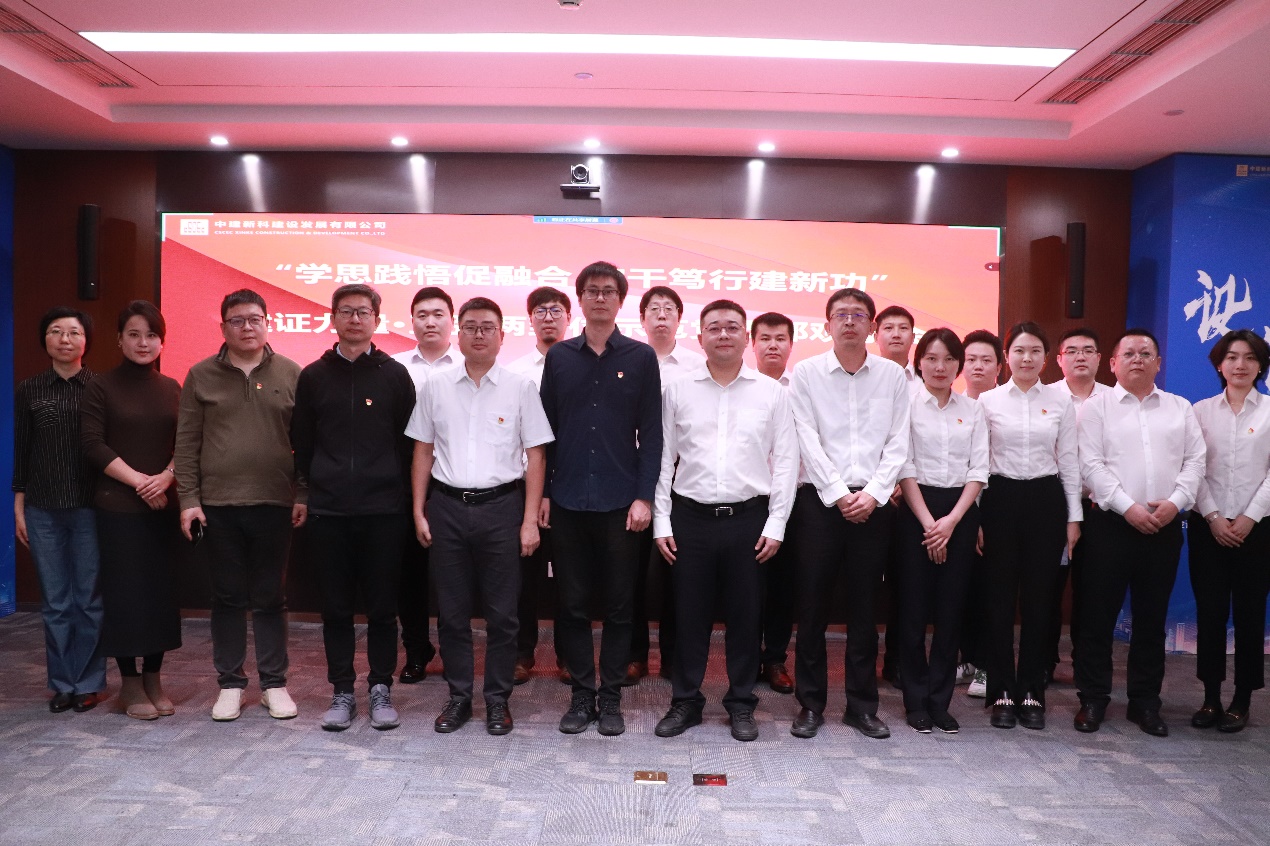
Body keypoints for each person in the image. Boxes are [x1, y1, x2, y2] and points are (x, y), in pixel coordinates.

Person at [652, 300, 798, 742]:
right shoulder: (677, 390)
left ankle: (741, 703)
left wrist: (776, 524)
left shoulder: (772, 393)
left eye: (732, 327)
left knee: (746, 616)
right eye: (714, 328)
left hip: (748, 519)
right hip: (689, 518)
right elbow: (663, 458)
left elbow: (786, 462)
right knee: (688, 615)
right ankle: (685, 701)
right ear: (700, 338)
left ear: (745, 337)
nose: (723, 335)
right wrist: (662, 521)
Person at [409, 297, 554, 736]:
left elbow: (536, 456)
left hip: (502, 508)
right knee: (452, 614)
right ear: (459, 332)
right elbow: (422, 450)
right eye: (470, 326)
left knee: (503, 615)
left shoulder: (520, 387)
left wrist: (528, 520)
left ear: (501, 335)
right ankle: (458, 697)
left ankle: (496, 699)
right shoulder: (435, 386)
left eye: (487, 327)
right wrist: (418, 509)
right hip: (448, 508)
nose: (478, 334)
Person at [539, 261, 662, 736]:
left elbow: (651, 436)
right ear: (581, 299)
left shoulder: (640, 357)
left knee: (618, 606)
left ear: (620, 300)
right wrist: (544, 493)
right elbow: (545, 433)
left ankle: (609, 697)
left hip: (620, 503)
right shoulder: (559, 358)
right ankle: (581, 695)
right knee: (570, 604)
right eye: (591, 291)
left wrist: (644, 497)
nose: (599, 298)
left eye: (608, 291)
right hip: (567, 500)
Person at [174, 289, 305, 722]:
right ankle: (230, 684)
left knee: (271, 597)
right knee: (227, 598)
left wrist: (303, 494)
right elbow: (187, 443)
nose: (247, 327)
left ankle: (274, 684)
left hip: (275, 502)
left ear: (268, 323)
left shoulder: (291, 372)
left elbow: (305, 444)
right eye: (237, 320)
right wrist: (188, 500)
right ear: (223, 327)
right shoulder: (201, 375)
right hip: (218, 506)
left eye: (254, 319)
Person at [291, 284, 416, 731]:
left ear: (377, 320)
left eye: (364, 312)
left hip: (384, 511)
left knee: (382, 608)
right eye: (346, 311)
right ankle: (342, 690)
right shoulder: (313, 376)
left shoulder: (394, 375)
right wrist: (307, 491)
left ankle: (380, 687)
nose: (355, 319)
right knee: (336, 609)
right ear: (333, 319)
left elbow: (409, 444)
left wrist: (403, 499)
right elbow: (302, 441)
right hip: (329, 511)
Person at [789, 287, 909, 740]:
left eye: (859, 315)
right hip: (820, 504)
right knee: (812, 607)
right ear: (827, 325)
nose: (849, 322)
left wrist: (874, 493)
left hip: (874, 506)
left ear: (871, 326)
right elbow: (806, 437)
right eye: (841, 315)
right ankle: (811, 705)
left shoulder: (892, 376)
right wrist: (839, 493)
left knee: (865, 610)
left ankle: (861, 707)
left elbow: (899, 440)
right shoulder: (806, 373)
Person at [1074, 328, 1205, 737]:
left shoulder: (1180, 408)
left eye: (1146, 354)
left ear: (1158, 363)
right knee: (1097, 617)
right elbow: (1090, 465)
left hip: (1164, 525)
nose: (1137, 359)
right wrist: (1128, 507)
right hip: (1110, 525)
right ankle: (1093, 699)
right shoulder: (1096, 408)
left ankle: (1145, 702)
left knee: (1152, 619)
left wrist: (1175, 502)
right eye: (1128, 353)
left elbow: (1195, 461)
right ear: (1113, 363)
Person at [80, 300, 183, 720]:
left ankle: (154, 678)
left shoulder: (173, 387)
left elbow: (188, 443)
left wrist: (167, 477)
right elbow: (92, 444)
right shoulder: (100, 386)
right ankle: (129, 685)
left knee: (159, 596)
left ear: (162, 341)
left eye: (152, 335)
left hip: (163, 507)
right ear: (119, 340)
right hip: (117, 507)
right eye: (134, 335)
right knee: (125, 597)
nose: (144, 343)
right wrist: (142, 482)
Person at [977, 322, 1081, 731]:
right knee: (998, 601)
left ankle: (1033, 691)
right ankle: (1002, 690)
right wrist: (977, 518)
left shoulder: (1060, 401)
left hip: (1045, 500)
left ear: (1046, 357)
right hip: (999, 499)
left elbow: (1069, 461)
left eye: (1035, 351)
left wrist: (1073, 518)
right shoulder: (987, 401)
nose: (1026, 358)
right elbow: (978, 463)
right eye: (1019, 350)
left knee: (1041, 602)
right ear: (1007, 357)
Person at [13, 307, 106, 713]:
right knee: (54, 602)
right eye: (55, 331)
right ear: (45, 339)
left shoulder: (100, 387)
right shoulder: (29, 389)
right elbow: (22, 451)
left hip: (90, 508)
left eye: (73, 332)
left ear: (86, 341)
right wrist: (18, 504)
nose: (65, 339)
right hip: (42, 509)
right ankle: (62, 683)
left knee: (88, 600)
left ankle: (88, 682)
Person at [895, 328, 988, 734]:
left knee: (951, 611)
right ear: (919, 362)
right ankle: (915, 700)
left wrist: (951, 522)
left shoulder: (973, 409)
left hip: (960, 513)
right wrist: (929, 523)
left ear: (958, 365)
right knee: (913, 612)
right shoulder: (905, 406)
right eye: (932, 358)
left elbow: (979, 469)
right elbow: (904, 466)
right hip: (916, 510)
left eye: (949, 359)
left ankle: (940, 700)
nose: (940, 366)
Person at [1189, 329, 1270, 733]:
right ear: (1220, 364)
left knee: (1250, 614)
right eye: (1233, 357)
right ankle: (1209, 698)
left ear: (1261, 366)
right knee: (1210, 613)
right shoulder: (1200, 412)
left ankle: (1242, 699)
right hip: (1209, 528)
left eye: (1250, 357)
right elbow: (1192, 468)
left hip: (1259, 529)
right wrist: (1213, 516)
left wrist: (1250, 517)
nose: (1241, 365)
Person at [627, 285, 706, 685]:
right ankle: (635, 655)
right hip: (633, 475)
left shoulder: (697, 365)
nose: (661, 315)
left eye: (669, 309)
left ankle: (674, 656)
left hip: (683, 475)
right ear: (642, 319)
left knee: (680, 570)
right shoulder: (628, 360)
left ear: (679, 319)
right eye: (653, 309)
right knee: (632, 572)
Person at [506, 286, 572, 685]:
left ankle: (569, 655)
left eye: (556, 310)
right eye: (541, 310)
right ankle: (521, 654)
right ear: (530, 318)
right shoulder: (514, 372)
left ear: (569, 318)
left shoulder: (582, 366)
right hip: (523, 487)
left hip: (568, 488)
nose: (549, 317)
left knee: (569, 577)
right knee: (522, 577)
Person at [391, 287, 455, 685]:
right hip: (404, 480)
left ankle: (453, 652)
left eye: (438, 314)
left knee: (452, 574)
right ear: (411, 321)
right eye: (422, 315)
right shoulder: (394, 368)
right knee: (409, 573)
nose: (430, 322)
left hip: (455, 481)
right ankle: (416, 650)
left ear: (452, 319)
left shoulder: (470, 365)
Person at [1043, 328, 1111, 686]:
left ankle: (1086, 666)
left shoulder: (1115, 400)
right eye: (1071, 351)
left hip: (1101, 508)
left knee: (1093, 590)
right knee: (1047, 588)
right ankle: (1044, 662)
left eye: (1088, 350)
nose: (1080, 356)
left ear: (1100, 358)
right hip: (1054, 505)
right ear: (1059, 360)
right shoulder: (1046, 397)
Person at [750, 311, 797, 694]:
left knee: (784, 584)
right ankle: (749, 657)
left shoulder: (801, 389)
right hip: (750, 499)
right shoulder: (742, 387)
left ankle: (776, 658)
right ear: (752, 344)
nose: (772, 345)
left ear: (791, 345)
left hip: (792, 499)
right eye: (765, 338)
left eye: (780, 338)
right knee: (749, 584)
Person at [957, 328, 1004, 699]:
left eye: (986, 360)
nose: (977, 366)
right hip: (959, 507)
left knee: (993, 590)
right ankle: (968, 658)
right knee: (963, 588)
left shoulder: (1005, 405)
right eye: (971, 359)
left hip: (998, 505)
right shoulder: (955, 405)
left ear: (999, 366)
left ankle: (989, 665)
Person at [873, 304, 917, 687]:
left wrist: (904, 483)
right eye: (888, 328)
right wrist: (883, 484)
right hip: (874, 495)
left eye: (904, 328)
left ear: (913, 337)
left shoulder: (927, 381)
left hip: (913, 499)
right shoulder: (866, 378)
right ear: (876, 336)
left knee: (906, 583)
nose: (896, 334)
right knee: (869, 583)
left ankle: (898, 660)